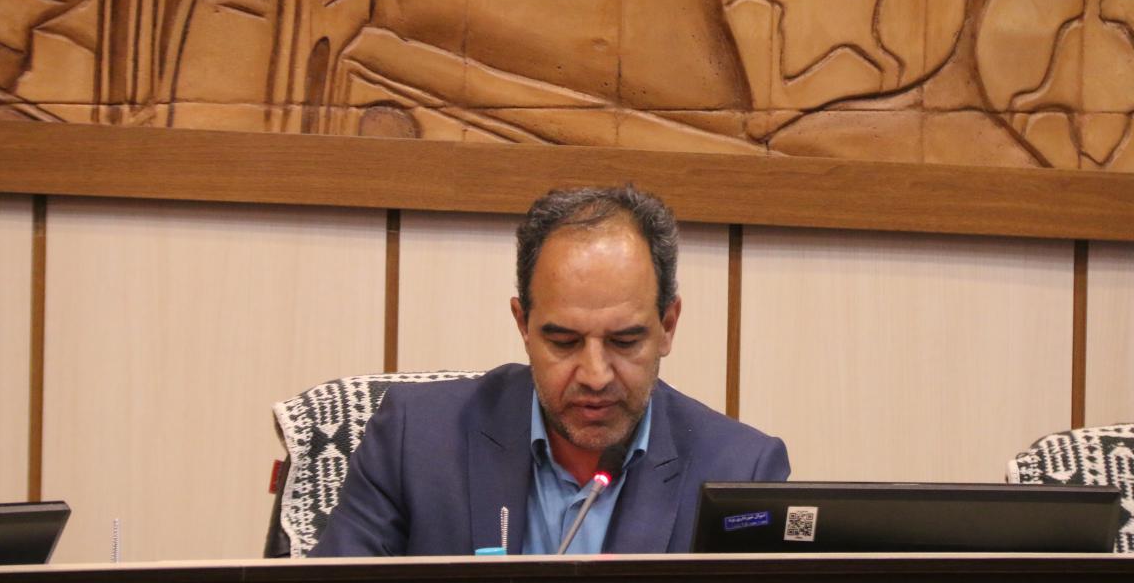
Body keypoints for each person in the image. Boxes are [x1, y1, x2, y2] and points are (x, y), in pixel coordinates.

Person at [309, 185, 789, 557]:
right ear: (523, 324)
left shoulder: (739, 472)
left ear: (667, 326)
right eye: (564, 342)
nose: (595, 376)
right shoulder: (414, 440)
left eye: (624, 342)